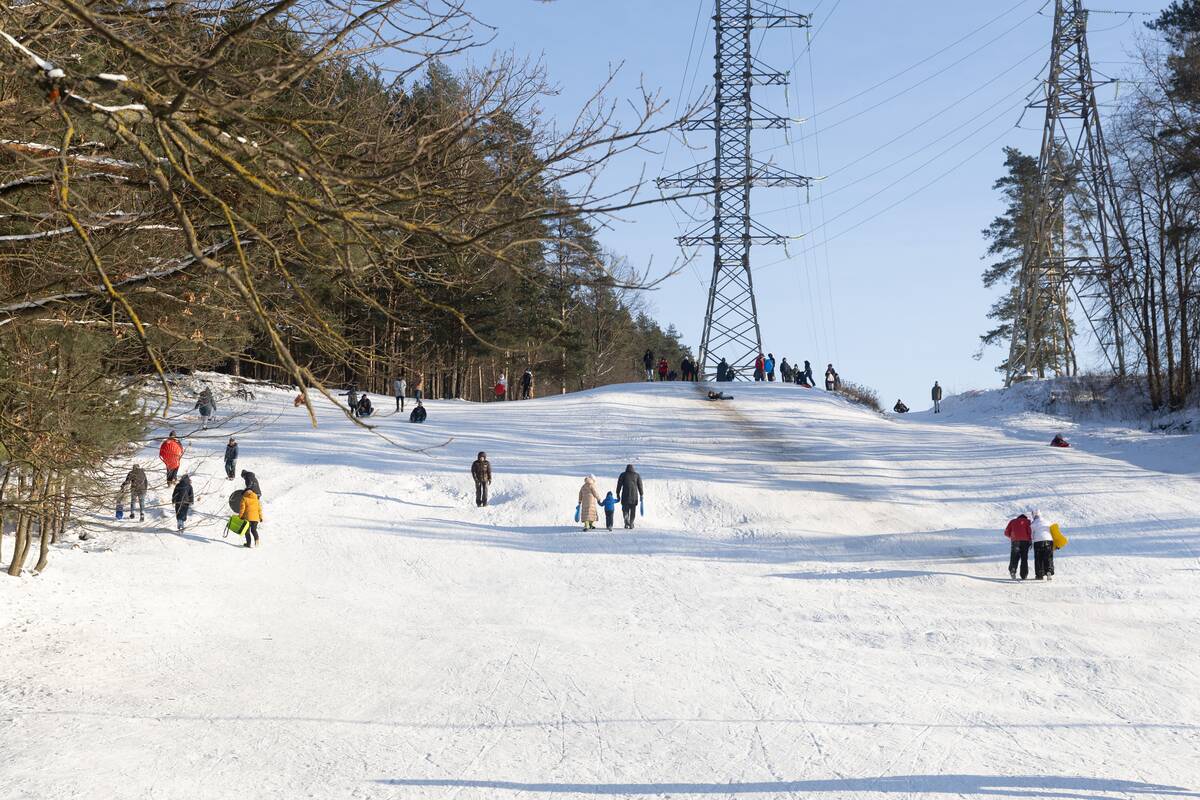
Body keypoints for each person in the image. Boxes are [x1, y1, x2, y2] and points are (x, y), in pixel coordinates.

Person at [1004, 512, 1032, 580]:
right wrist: (1030, 540)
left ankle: (1013, 570)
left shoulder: (1012, 521)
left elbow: (1006, 532)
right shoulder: (1028, 522)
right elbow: (1030, 532)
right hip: (1025, 542)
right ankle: (1024, 575)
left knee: (1014, 556)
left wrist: (1012, 536)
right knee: (1024, 558)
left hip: (1015, 541)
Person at [616, 463, 644, 530]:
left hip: (625, 496)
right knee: (633, 511)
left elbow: (619, 484)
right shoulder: (637, 475)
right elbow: (640, 485)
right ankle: (631, 523)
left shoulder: (623, 475)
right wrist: (641, 494)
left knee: (625, 509)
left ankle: (626, 521)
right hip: (634, 497)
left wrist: (617, 493)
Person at [1031, 510, 1054, 580]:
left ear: (1034, 516)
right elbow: (1053, 530)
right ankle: (1049, 571)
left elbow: (1031, 535)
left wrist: (1031, 542)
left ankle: (1039, 575)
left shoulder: (1033, 524)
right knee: (1048, 557)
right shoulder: (1048, 522)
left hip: (1038, 541)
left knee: (1038, 558)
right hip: (1049, 541)